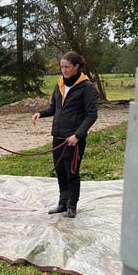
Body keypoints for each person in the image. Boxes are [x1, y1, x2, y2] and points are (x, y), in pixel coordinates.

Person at [31, 51, 98, 218]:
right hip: (58, 137)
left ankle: (72, 206)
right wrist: (41, 113)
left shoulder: (86, 87)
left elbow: (92, 114)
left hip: (73, 140)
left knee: (72, 172)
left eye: (67, 67)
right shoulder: (60, 84)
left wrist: (77, 135)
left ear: (76, 67)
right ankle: (62, 202)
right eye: (62, 67)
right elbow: (54, 107)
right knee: (60, 171)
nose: (64, 70)